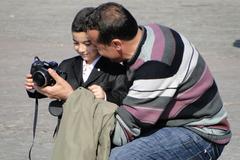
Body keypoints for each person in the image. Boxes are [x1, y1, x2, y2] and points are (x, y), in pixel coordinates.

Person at [35, 2, 231, 160]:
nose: (96, 52)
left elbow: (122, 132)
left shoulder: (154, 67)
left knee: (119, 156)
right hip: (169, 122)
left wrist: (72, 97)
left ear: (116, 44)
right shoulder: (152, 32)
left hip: (200, 133)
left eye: (98, 47)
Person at [25, 7, 128, 133]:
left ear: (99, 39)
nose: (81, 49)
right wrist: (34, 86)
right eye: (76, 43)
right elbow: (50, 90)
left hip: (97, 134)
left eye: (87, 44)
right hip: (67, 132)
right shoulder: (68, 65)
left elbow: (123, 97)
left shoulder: (116, 69)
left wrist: (106, 96)